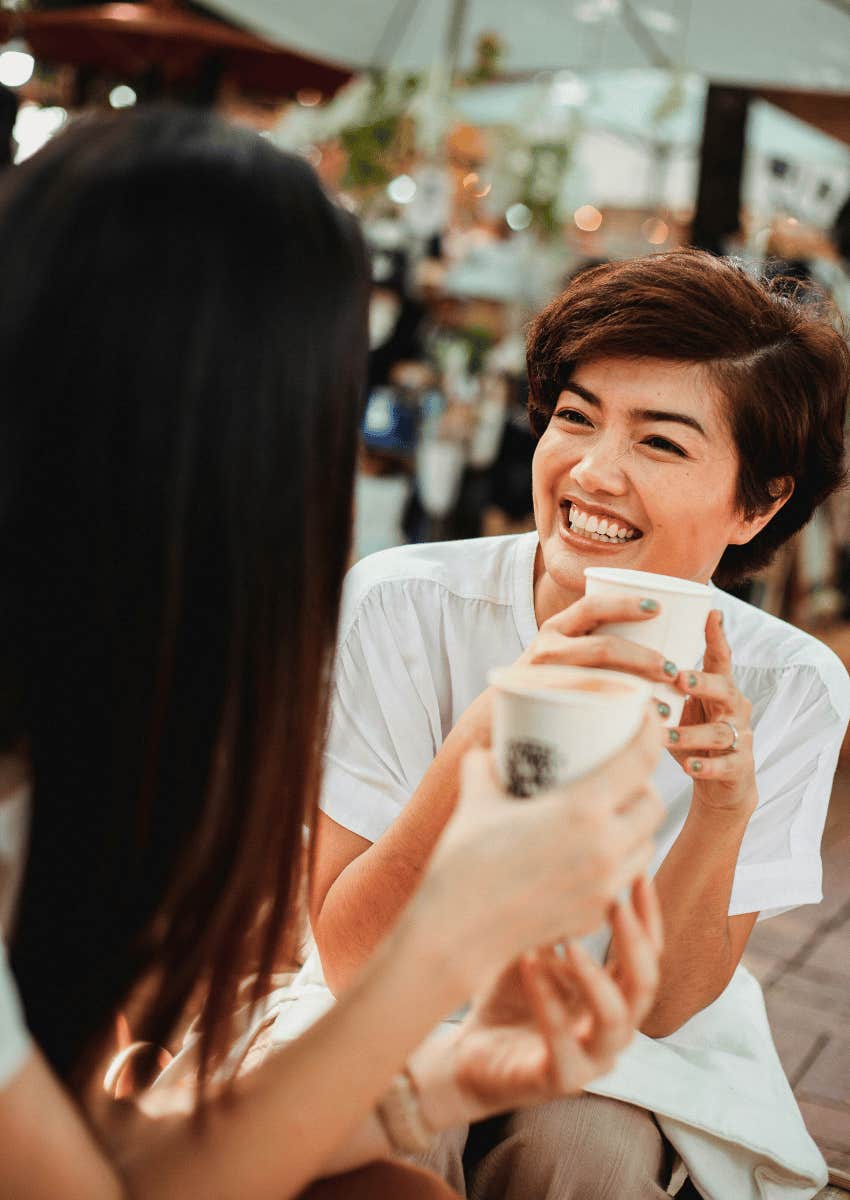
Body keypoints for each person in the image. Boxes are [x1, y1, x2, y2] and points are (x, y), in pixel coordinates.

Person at [0, 107, 666, 1199]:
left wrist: (451, 1075)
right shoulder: (401, 600)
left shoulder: (91, 732)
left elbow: (108, 1147)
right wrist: (448, 937)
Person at [311, 250, 850, 1199]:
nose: (593, 472)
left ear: (758, 501)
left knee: (590, 1153)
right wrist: (488, 731)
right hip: (391, 1004)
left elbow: (664, 1010)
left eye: (661, 443)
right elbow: (351, 959)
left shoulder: (790, 685)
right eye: (575, 416)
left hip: (621, 1047)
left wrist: (721, 811)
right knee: (389, 1133)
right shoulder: (405, 604)